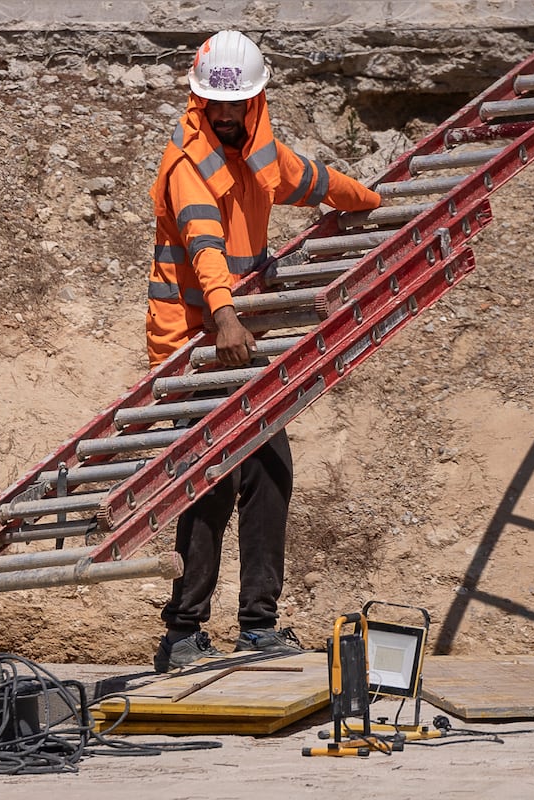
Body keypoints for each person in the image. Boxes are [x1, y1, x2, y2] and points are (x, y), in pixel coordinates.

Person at [147, 30, 381, 672]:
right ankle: (185, 631)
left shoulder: (262, 155)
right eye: (215, 106)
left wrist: (371, 201)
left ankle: (257, 623)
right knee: (211, 484)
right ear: (199, 102)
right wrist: (223, 314)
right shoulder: (187, 164)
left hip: (236, 339)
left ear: (256, 103)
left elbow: (315, 181)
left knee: (269, 472)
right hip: (196, 343)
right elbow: (204, 244)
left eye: (237, 106)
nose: (225, 116)